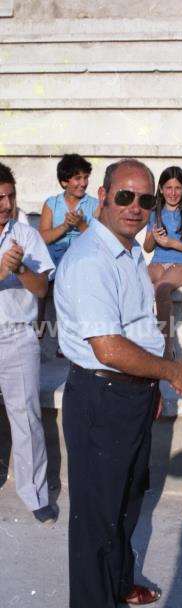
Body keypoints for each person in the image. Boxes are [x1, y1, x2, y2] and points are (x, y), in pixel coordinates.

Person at [54, 158, 182, 608]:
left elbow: (139, 331)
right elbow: (110, 347)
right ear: (102, 196)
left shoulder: (127, 253)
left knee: (128, 497)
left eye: (146, 200)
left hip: (132, 392)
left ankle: (118, 582)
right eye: (125, 196)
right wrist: (173, 373)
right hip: (103, 394)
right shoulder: (91, 260)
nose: (136, 207)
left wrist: (153, 385)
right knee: (98, 509)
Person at [0, 162, 56, 524]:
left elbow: (42, 289)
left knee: (27, 417)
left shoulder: (27, 236)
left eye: (10, 196)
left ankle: (35, 493)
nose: (5, 204)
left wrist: (21, 270)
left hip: (16, 335)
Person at [38, 154, 99, 348]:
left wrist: (81, 225)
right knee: (40, 283)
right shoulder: (51, 203)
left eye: (85, 178)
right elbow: (43, 237)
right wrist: (65, 226)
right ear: (65, 182)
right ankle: (37, 333)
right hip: (54, 259)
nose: (83, 183)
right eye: (78, 178)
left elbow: (99, 240)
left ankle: (69, 341)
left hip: (81, 258)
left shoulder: (94, 205)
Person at [143, 166, 182, 359]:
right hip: (159, 261)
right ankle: (141, 338)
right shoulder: (155, 212)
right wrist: (154, 234)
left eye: (178, 188)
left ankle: (166, 347)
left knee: (161, 287)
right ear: (161, 189)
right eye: (168, 187)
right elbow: (147, 247)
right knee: (136, 279)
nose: (173, 193)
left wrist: (171, 243)